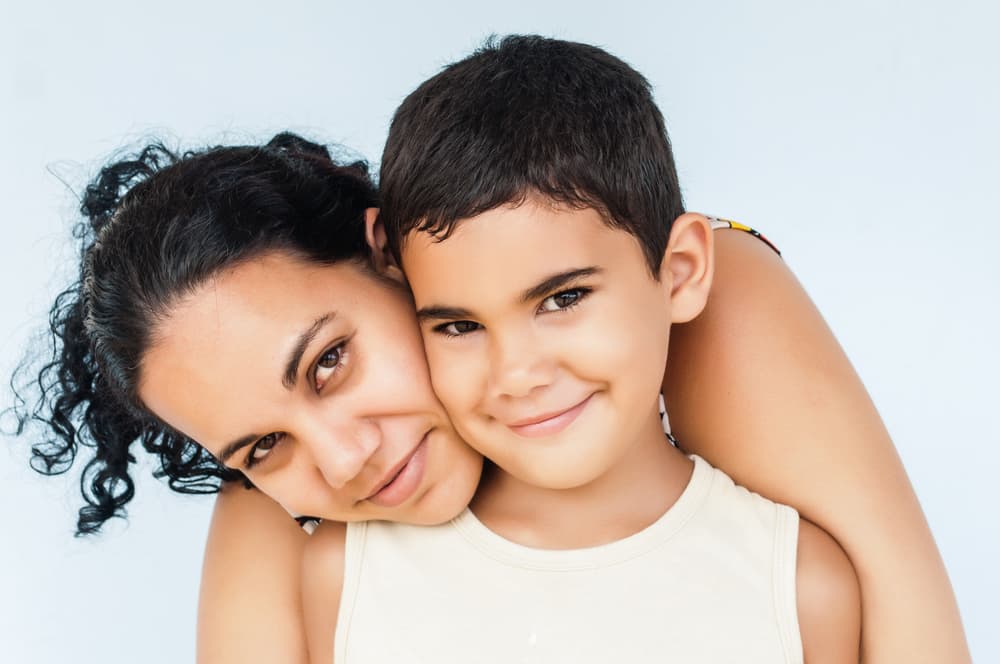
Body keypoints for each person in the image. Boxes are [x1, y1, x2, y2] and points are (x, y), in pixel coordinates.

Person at [11, 57, 968, 664]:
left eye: (332, 362)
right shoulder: (309, 531)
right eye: (261, 448)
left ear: (390, 260)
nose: (345, 461)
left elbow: (911, 616)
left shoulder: (716, 291)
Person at [298, 35, 858, 663]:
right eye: (459, 326)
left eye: (562, 300)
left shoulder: (799, 588)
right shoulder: (348, 576)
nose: (516, 375)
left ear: (679, 271)